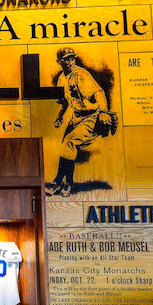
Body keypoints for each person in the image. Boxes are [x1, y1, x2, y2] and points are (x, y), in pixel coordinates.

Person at [46, 47, 117, 197]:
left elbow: (98, 93)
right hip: (77, 116)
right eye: (66, 59)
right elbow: (66, 101)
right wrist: (60, 116)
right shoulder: (61, 78)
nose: (70, 61)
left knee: (70, 143)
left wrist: (104, 112)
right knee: (64, 146)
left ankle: (68, 184)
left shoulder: (81, 75)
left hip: (92, 116)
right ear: (59, 61)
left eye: (72, 58)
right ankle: (58, 181)